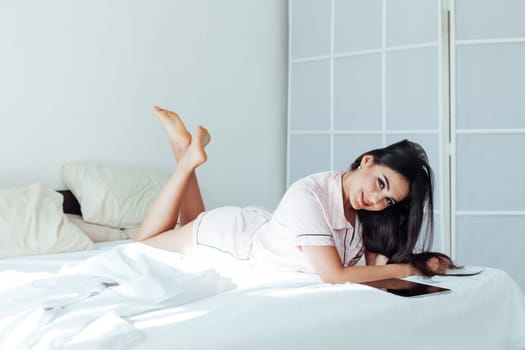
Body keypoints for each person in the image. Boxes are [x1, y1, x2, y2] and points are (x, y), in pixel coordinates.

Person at [135, 106, 461, 284]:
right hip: (230, 241)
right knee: (143, 246)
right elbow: (334, 275)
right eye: (380, 183)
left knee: (192, 222)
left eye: (389, 200)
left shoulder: (359, 211)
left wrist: (419, 262)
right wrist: (405, 271)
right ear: (366, 161)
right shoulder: (310, 193)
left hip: (253, 231)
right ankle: (186, 160)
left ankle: (184, 150)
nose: (377, 200)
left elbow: (375, 263)